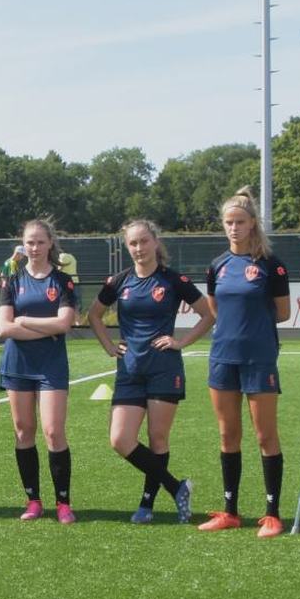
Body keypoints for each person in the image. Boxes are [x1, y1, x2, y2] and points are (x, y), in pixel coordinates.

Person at [85, 218, 206, 523]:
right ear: (127, 247)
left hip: (164, 369)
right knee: (120, 440)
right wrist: (110, 347)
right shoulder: (119, 282)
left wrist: (181, 342)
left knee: (157, 439)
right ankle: (177, 487)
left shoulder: (173, 280)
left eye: (143, 241)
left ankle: (147, 505)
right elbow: (94, 315)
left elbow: (208, 314)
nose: (138, 248)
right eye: (133, 243)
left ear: (155, 242)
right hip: (129, 370)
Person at [200, 191, 293, 536]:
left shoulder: (272, 264)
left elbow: (283, 312)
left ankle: (272, 513)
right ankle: (230, 511)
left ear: (253, 223)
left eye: (240, 222)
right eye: (229, 222)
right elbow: (215, 310)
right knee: (228, 434)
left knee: (265, 434)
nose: (234, 228)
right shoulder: (217, 265)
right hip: (223, 357)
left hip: (259, 357)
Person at [0, 219, 78, 522]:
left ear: (50, 244)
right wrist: (46, 328)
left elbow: (64, 323)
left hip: (51, 366)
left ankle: (63, 503)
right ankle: (33, 500)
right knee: (23, 431)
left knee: (54, 432)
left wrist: (26, 321)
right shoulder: (13, 280)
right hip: (18, 365)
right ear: (23, 244)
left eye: (40, 242)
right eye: (29, 242)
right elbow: (4, 328)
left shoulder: (62, 281)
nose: (34, 247)